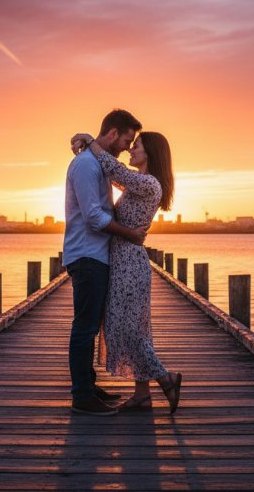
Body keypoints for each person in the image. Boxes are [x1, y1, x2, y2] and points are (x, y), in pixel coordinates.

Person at [71, 130, 183, 414]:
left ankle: (166, 379)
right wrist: (86, 148)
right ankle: (142, 395)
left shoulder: (149, 184)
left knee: (130, 329)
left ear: (151, 154)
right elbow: (109, 176)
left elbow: (115, 170)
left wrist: (91, 141)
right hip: (121, 260)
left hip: (130, 264)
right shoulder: (139, 185)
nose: (131, 150)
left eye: (137, 146)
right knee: (128, 326)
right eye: (131, 145)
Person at [63, 109, 149, 416]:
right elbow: (94, 216)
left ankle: (89, 387)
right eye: (126, 139)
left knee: (90, 325)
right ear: (113, 133)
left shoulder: (97, 163)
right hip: (87, 255)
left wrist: (85, 138)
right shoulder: (86, 165)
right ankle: (81, 396)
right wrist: (130, 234)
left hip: (96, 255)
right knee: (84, 327)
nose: (127, 147)